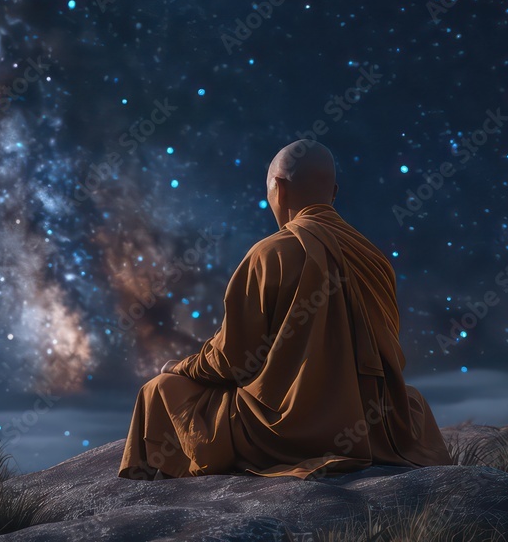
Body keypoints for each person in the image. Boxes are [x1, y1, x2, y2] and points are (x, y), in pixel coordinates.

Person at [117, 140, 452, 481]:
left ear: (279, 189)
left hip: (285, 428)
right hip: (372, 424)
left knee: (159, 389)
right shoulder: (375, 259)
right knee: (412, 401)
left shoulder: (269, 254)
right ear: (333, 193)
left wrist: (182, 367)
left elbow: (232, 361)